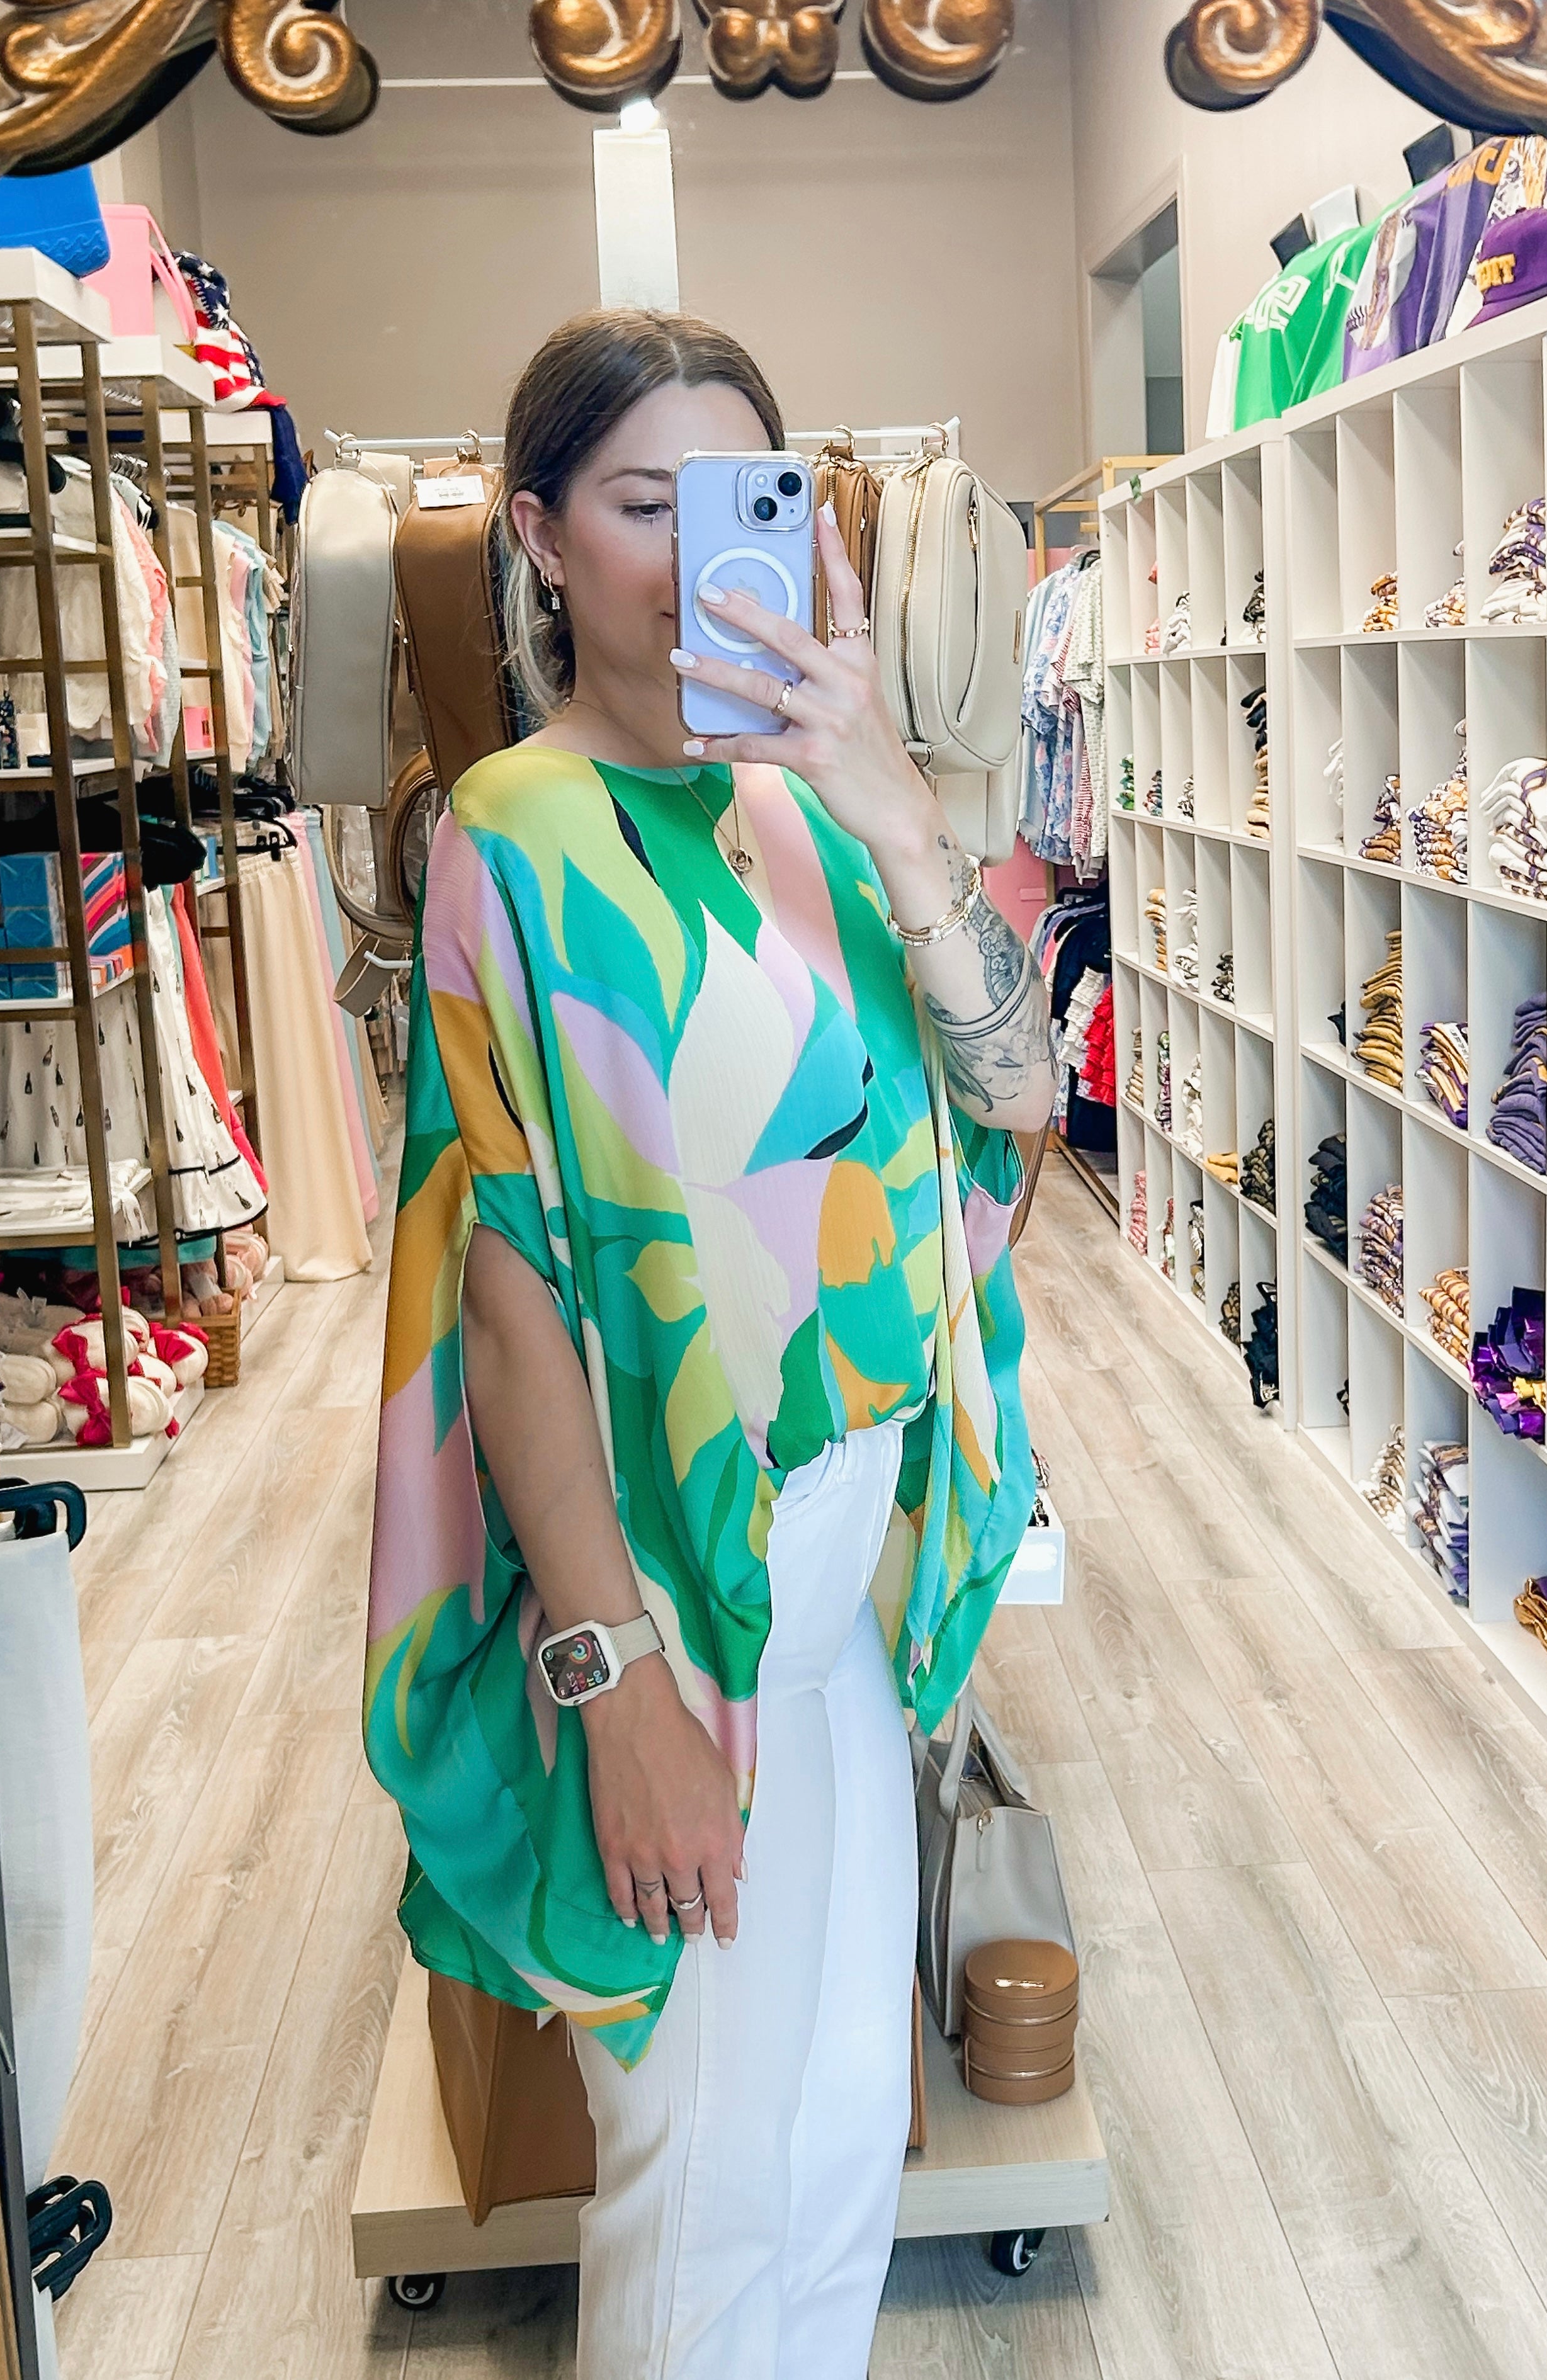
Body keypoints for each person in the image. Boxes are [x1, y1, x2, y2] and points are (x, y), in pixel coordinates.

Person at [364, 308, 1051, 2378]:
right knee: (703, 2192)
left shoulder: (825, 817)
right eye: (641, 503)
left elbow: (1016, 1107)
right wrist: (616, 1683)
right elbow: (508, 1297)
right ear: (540, 537)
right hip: (672, 1590)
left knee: (835, 2150)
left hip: (841, 1593)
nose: (691, 559)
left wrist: (897, 814)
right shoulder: (511, 832)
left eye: (736, 500)